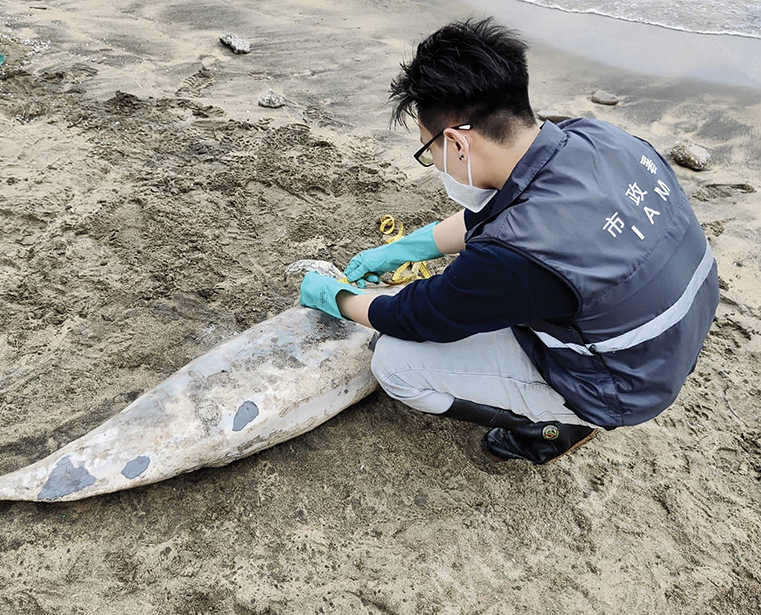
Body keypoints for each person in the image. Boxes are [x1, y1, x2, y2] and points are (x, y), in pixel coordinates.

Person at [298, 18, 719, 464]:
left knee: (395, 364)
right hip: (679, 331)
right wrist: (404, 249)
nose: (434, 163)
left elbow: (414, 316)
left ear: (458, 143)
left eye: (429, 150)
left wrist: (336, 297)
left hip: (624, 384)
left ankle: (557, 428)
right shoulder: (594, 137)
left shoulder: (515, 255)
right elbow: (506, 211)